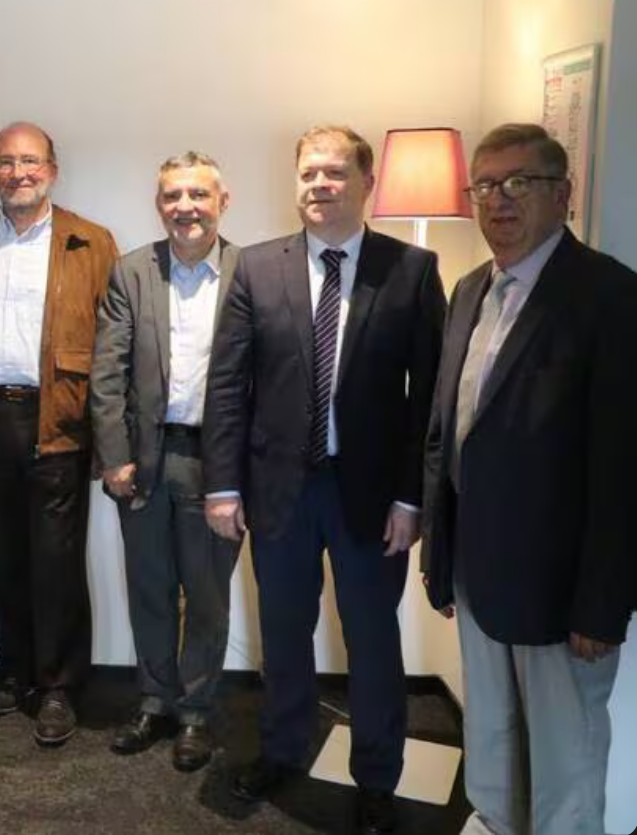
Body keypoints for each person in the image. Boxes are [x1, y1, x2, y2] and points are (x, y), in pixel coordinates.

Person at [202, 125, 445, 835]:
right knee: (284, 631)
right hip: (279, 490)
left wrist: (411, 496)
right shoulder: (256, 266)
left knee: (372, 640)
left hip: (369, 494)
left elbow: (427, 400)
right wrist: (223, 485)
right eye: (308, 172)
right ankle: (283, 751)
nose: (319, 185)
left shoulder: (411, 270)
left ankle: (377, 778)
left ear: (366, 183)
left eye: (334, 173)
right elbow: (228, 385)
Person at [422, 124, 637, 835]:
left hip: (559, 589)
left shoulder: (609, 296)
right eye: (485, 186)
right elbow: (448, 430)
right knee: (491, 740)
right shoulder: (469, 289)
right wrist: (440, 556)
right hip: (477, 572)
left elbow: (622, 467)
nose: (499, 200)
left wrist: (602, 605)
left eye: (520, 182)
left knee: (565, 759)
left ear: (563, 194)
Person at [0, 122, 117, 747]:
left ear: (53, 169)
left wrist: (107, 432)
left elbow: (112, 344)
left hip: (60, 417)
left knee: (57, 561)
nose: (19, 173)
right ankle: (15, 670)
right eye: (5, 162)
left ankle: (59, 684)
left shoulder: (90, 242)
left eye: (30, 161)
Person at [89, 151, 241, 771]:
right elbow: (107, 372)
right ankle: (154, 700)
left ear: (222, 202)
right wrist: (114, 457)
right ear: (159, 206)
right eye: (173, 196)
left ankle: (196, 712)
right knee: (149, 588)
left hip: (216, 465)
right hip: (145, 462)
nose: (186, 207)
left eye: (198, 195)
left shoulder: (251, 272)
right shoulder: (132, 271)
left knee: (206, 596)